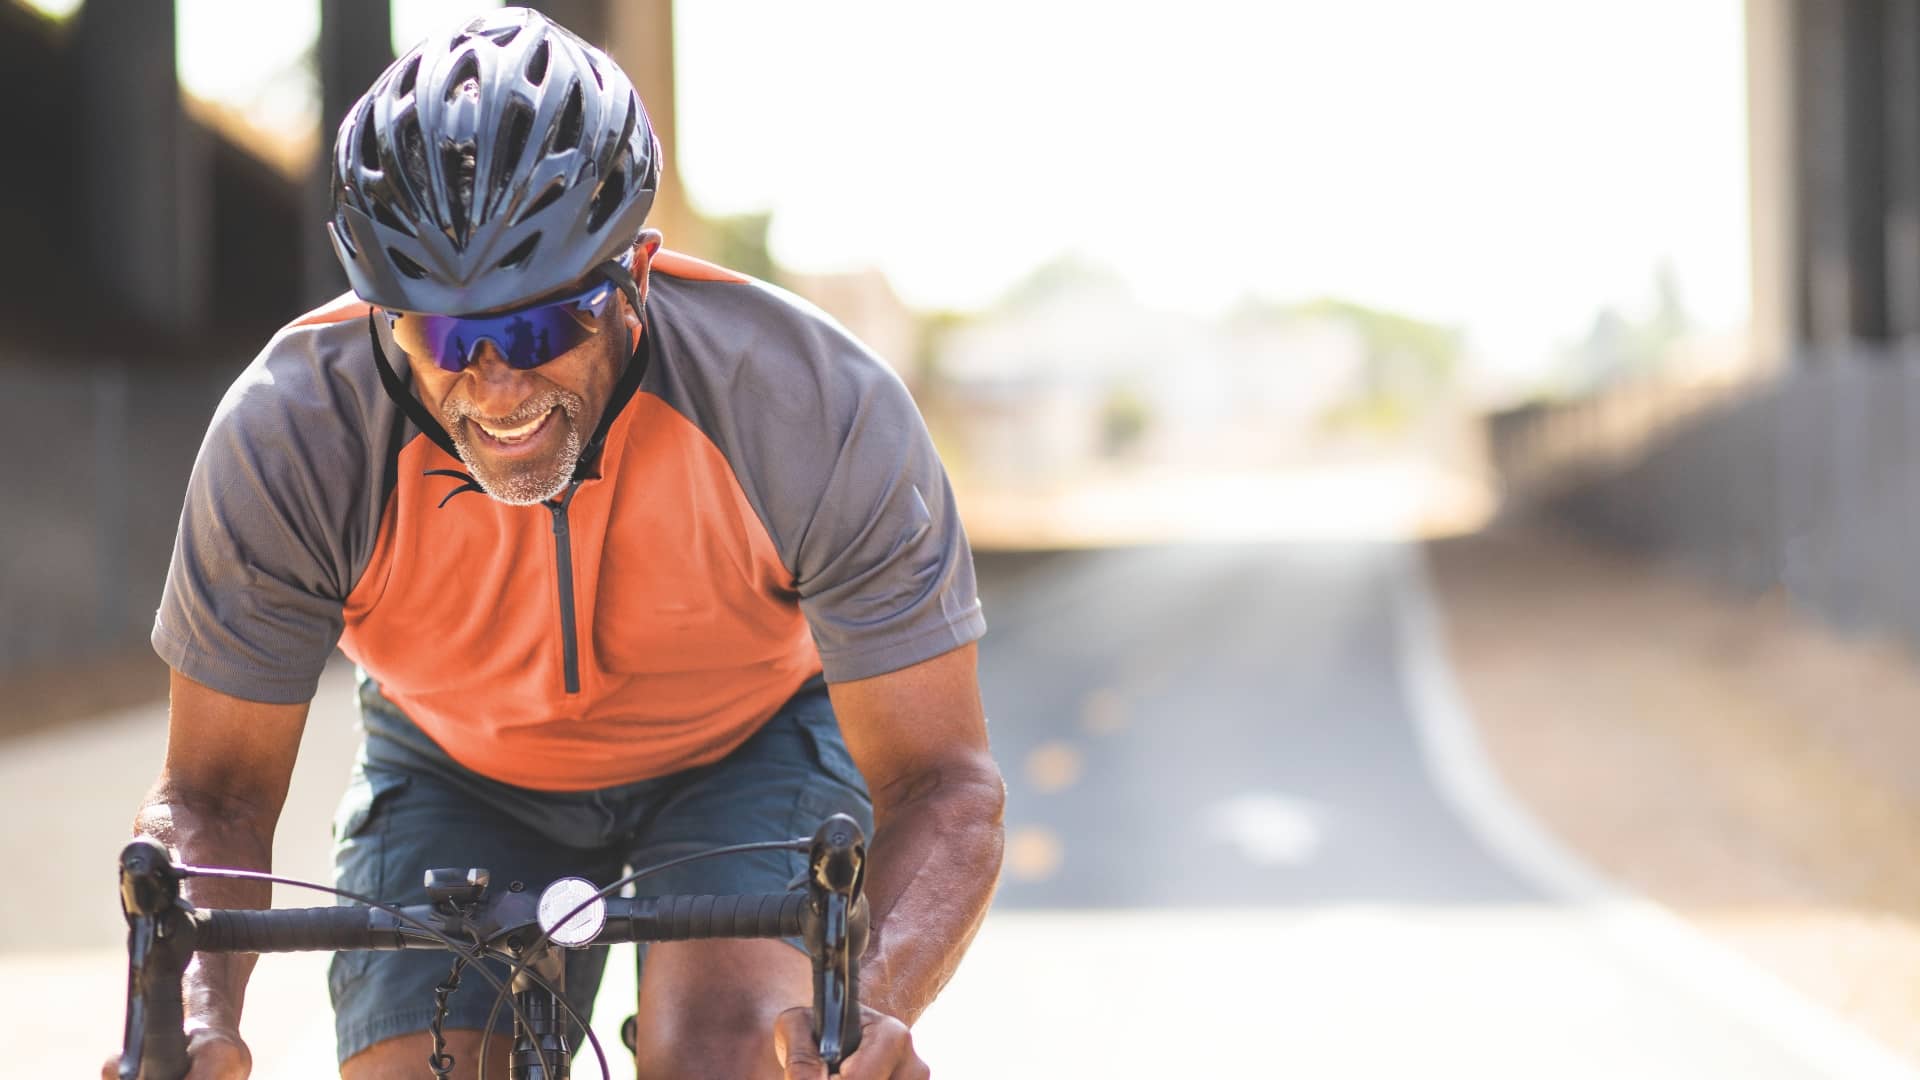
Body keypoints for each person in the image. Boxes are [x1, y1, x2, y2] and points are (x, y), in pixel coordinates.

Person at [114, 8, 1004, 1079]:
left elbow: (943, 783)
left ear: (635, 270)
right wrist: (191, 1011)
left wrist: (870, 1005)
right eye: (445, 334)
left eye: (542, 326)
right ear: (382, 316)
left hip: (747, 744)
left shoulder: (811, 405)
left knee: (734, 1049)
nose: (495, 383)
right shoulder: (292, 433)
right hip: (458, 766)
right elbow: (211, 797)